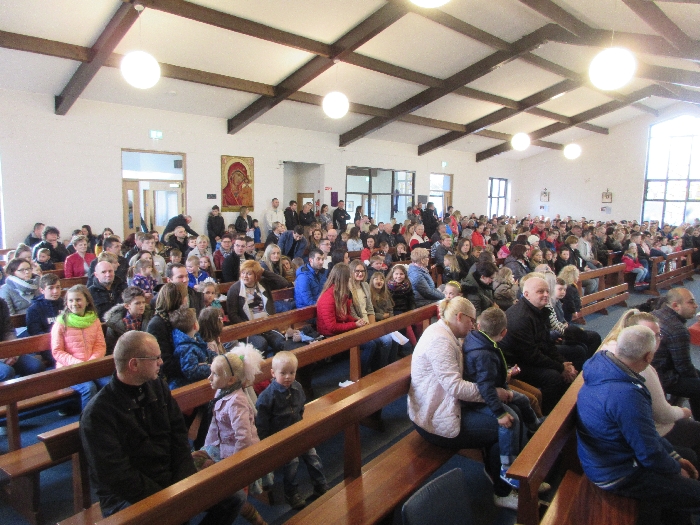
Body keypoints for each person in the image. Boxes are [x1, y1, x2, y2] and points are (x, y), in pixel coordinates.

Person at [79, 331, 245, 521]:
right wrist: (166, 498)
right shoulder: (98, 413)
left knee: (234, 497)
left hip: (168, 475)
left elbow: (179, 436)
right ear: (134, 364)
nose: (161, 362)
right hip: (127, 495)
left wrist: (184, 480)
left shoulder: (157, 387)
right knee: (171, 515)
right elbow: (117, 475)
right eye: (155, 358)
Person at [577, 325, 700, 525]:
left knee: (687, 458)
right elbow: (648, 453)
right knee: (695, 494)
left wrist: (674, 457)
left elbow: (646, 433)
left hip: (607, 457)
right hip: (617, 473)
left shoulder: (604, 367)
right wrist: (675, 469)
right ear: (649, 356)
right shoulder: (626, 394)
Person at [408, 296, 519, 509]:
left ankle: (501, 473)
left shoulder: (448, 333)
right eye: (471, 321)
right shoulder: (440, 340)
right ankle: (503, 491)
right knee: (505, 425)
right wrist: (493, 393)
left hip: (448, 405)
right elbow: (455, 387)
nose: (474, 326)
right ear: (459, 317)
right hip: (434, 417)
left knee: (510, 410)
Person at [463, 307, 544, 490]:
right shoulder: (483, 353)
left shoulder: (480, 340)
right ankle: (507, 469)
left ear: (479, 325)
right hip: (483, 398)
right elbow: (485, 386)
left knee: (523, 400)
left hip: (496, 388)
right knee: (510, 421)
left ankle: (534, 427)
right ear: (504, 333)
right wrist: (499, 414)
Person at [199, 347, 268, 525]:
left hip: (236, 454)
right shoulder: (222, 392)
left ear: (231, 380)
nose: (209, 378)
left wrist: (236, 465)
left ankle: (257, 519)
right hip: (220, 445)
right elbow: (214, 424)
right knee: (194, 461)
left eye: (214, 374)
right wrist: (206, 447)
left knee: (232, 492)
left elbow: (243, 436)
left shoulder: (237, 401)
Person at [256, 351, 329, 509]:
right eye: (283, 373)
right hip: (282, 436)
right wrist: (267, 442)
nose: (288, 377)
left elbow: (301, 407)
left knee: (313, 458)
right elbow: (261, 423)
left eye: (292, 372)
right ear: (273, 373)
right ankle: (291, 492)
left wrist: (300, 423)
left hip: (298, 429)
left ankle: (320, 484)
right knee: (292, 464)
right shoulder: (267, 396)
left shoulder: (297, 387)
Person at [499, 277, 576, 414]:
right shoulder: (520, 318)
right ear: (526, 294)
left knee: (576, 351)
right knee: (553, 377)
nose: (546, 294)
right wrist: (560, 367)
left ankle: (571, 399)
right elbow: (531, 356)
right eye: (540, 291)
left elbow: (546, 343)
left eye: (547, 291)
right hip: (515, 364)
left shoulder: (539, 310)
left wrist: (564, 364)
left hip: (530, 355)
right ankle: (550, 415)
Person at [51, 285, 109, 410]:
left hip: (92, 365)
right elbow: (57, 351)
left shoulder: (94, 320)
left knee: (109, 384)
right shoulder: (61, 323)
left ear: (87, 301)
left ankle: (106, 417)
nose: (74, 303)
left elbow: (100, 345)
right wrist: (78, 363)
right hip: (70, 368)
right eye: (70, 300)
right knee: (89, 388)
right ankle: (87, 420)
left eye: (78, 300)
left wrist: (91, 362)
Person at [652, 287, 700, 420]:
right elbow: (684, 368)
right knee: (697, 387)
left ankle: (674, 403)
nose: (696, 306)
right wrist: (695, 380)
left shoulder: (657, 313)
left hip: (653, 367)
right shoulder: (677, 329)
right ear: (675, 306)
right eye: (691, 302)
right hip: (661, 375)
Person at [226, 260, 282, 356]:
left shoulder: (263, 284)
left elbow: (283, 282)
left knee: (280, 341)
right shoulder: (235, 289)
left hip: (267, 324)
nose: (245, 276)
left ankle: (276, 363)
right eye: (243, 273)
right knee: (261, 343)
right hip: (248, 328)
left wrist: (263, 271)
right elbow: (232, 314)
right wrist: (248, 326)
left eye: (249, 274)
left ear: (256, 275)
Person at [168, 305, 217, 390]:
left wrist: (216, 358)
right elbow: (191, 371)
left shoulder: (196, 337)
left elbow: (206, 351)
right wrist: (211, 367)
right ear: (195, 325)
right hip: (187, 386)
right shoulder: (185, 347)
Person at [104, 286, 153, 354]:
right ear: (127, 306)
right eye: (137, 303)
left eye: (143, 302)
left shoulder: (150, 317)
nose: (142, 306)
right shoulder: (114, 323)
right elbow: (111, 347)